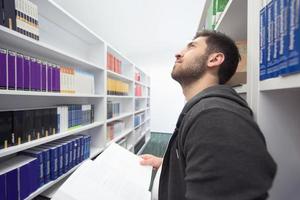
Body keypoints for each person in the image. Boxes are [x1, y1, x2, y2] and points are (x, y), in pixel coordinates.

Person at [140, 30, 277, 200]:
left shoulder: (215, 117)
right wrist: (168, 165)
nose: (178, 53)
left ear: (214, 59)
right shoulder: (204, 111)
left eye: (191, 47)